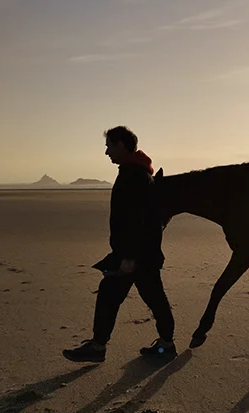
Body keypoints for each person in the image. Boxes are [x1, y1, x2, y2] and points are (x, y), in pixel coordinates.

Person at [63, 126, 176, 362]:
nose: (106, 152)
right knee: (153, 297)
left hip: (135, 255)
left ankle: (98, 348)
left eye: (109, 146)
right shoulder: (136, 172)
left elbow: (138, 220)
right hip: (141, 253)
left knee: (111, 295)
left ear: (121, 145)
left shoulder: (134, 176)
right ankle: (165, 345)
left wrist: (130, 257)